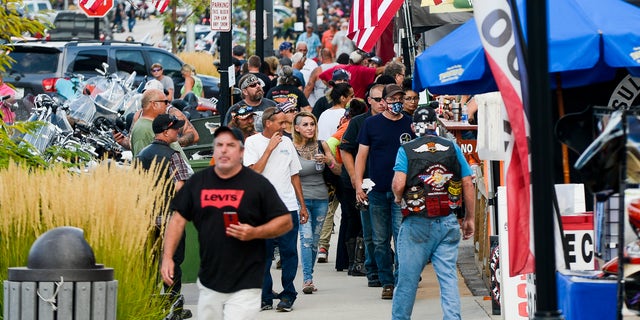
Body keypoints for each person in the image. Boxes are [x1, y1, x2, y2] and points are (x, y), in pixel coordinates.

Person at [161, 126, 293, 320]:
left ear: (241, 151)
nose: (224, 150)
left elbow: (285, 221)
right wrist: (168, 257)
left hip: (246, 280)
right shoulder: (198, 183)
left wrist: (255, 232)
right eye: (219, 145)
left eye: (230, 145)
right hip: (209, 280)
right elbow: (178, 219)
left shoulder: (257, 184)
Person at [390, 105, 475, 320]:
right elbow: (467, 181)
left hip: (417, 221)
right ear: (435, 125)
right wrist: (470, 218)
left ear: (412, 126)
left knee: (407, 279)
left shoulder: (406, 149)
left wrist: (398, 199)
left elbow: (399, 184)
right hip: (447, 219)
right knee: (448, 278)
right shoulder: (451, 147)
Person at [243, 106, 309, 312]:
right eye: (281, 123)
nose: (285, 126)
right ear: (268, 123)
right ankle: (265, 295)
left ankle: (288, 294)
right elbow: (254, 171)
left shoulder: (288, 142)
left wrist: (302, 205)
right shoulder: (252, 142)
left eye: (286, 123)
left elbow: (294, 174)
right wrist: (269, 148)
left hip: (287, 208)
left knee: (289, 253)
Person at [354, 84, 415, 299]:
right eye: (393, 98)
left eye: (401, 97)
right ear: (384, 101)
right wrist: (358, 184)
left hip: (403, 192)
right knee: (380, 240)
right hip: (377, 191)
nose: (397, 102)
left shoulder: (410, 123)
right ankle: (386, 281)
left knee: (402, 239)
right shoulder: (371, 124)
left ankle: (401, 281)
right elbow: (361, 156)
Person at [137, 114, 192, 305]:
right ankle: (172, 306)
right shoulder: (173, 155)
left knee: (150, 263)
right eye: (175, 129)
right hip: (170, 218)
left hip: (147, 218)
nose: (178, 132)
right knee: (173, 262)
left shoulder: (142, 154)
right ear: (166, 131)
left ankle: (150, 305)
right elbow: (180, 187)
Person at [339, 83, 387, 285]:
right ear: (369, 100)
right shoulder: (360, 122)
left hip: (389, 184)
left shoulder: (396, 121)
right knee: (367, 229)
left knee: (386, 232)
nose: (382, 103)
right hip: (365, 184)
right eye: (377, 99)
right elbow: (346, 149)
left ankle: (384, 266)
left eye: (386, 99)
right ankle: (369, 268)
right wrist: (354, 176)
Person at [292, 111, 340, 294]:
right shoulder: (291, 146)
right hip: (300, 199)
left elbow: (337, 171)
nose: (310, 128)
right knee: (306, 239)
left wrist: (329, 161)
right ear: (296, 128)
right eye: (305, 125)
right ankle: (307, 279)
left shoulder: (322, 145)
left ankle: (309, 275)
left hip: (321, 198)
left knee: (314, 241)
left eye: (312, 124)